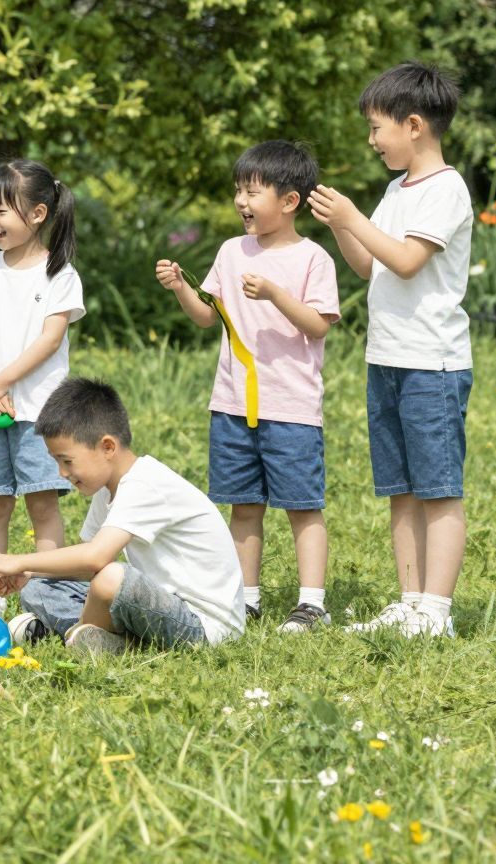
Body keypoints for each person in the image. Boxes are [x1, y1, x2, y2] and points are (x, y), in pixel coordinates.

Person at [309, 62, 474, 640]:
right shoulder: (394, 190)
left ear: (413, 125)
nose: (372, 141)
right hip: (388, 359)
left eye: (378, 129)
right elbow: (368, 265)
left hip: (433, 363)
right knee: (401, 489)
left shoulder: (445, 189)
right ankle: (409, 602)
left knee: (438, 490)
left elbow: (406, 261)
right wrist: (340, 226)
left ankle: (437, 609)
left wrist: (355, 217)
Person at [155, 139, 340, 631]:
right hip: (233, 404)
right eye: (239, 190)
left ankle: (312, 603)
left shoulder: (312, 259)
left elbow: (318, 326)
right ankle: (247, 597)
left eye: (253, 192)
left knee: (302, 507)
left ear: (289, 201)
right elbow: (205, 317)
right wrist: (180, 289)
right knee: (244, 506)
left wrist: (276, 293)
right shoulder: (231, 251)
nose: (241, 201)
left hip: (292, 406)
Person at [0, 377, 244, 655]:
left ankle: (83, 638)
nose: (62, 472)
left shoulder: (145, 484)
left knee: (112, 577)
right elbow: (86, 569)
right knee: (36, 589)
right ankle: (108, 639)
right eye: (56, 461)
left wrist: (18, 560)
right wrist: (30, 571)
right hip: (158, 605)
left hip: (201, 626)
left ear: (107, 447)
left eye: (66, 460)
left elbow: (96, 558)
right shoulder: (108, 490)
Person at [0, 159, 84, 626]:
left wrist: (4, 380)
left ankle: (49, 591)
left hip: (40, 414)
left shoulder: (59, 274)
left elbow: (50, 340)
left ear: (38, 214)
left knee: (42, 502)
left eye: (2, 210)